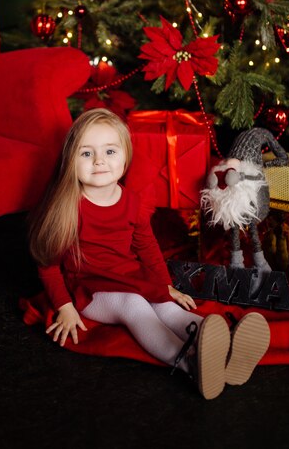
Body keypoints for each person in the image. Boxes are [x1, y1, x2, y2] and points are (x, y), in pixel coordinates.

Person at [29, 108, 270, 400]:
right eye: (86, 154)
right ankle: (189, 361)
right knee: (135, 306)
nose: (100, 161)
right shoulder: (68, 206)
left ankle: (224, 345)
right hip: (91, 288)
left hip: (131, 275)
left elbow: (147, 246)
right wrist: (64, 306)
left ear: (125, 155)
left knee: (166, 306)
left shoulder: (131, 202)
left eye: (109, 150)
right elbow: (48, 264)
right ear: (70, 160)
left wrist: (164, 285)